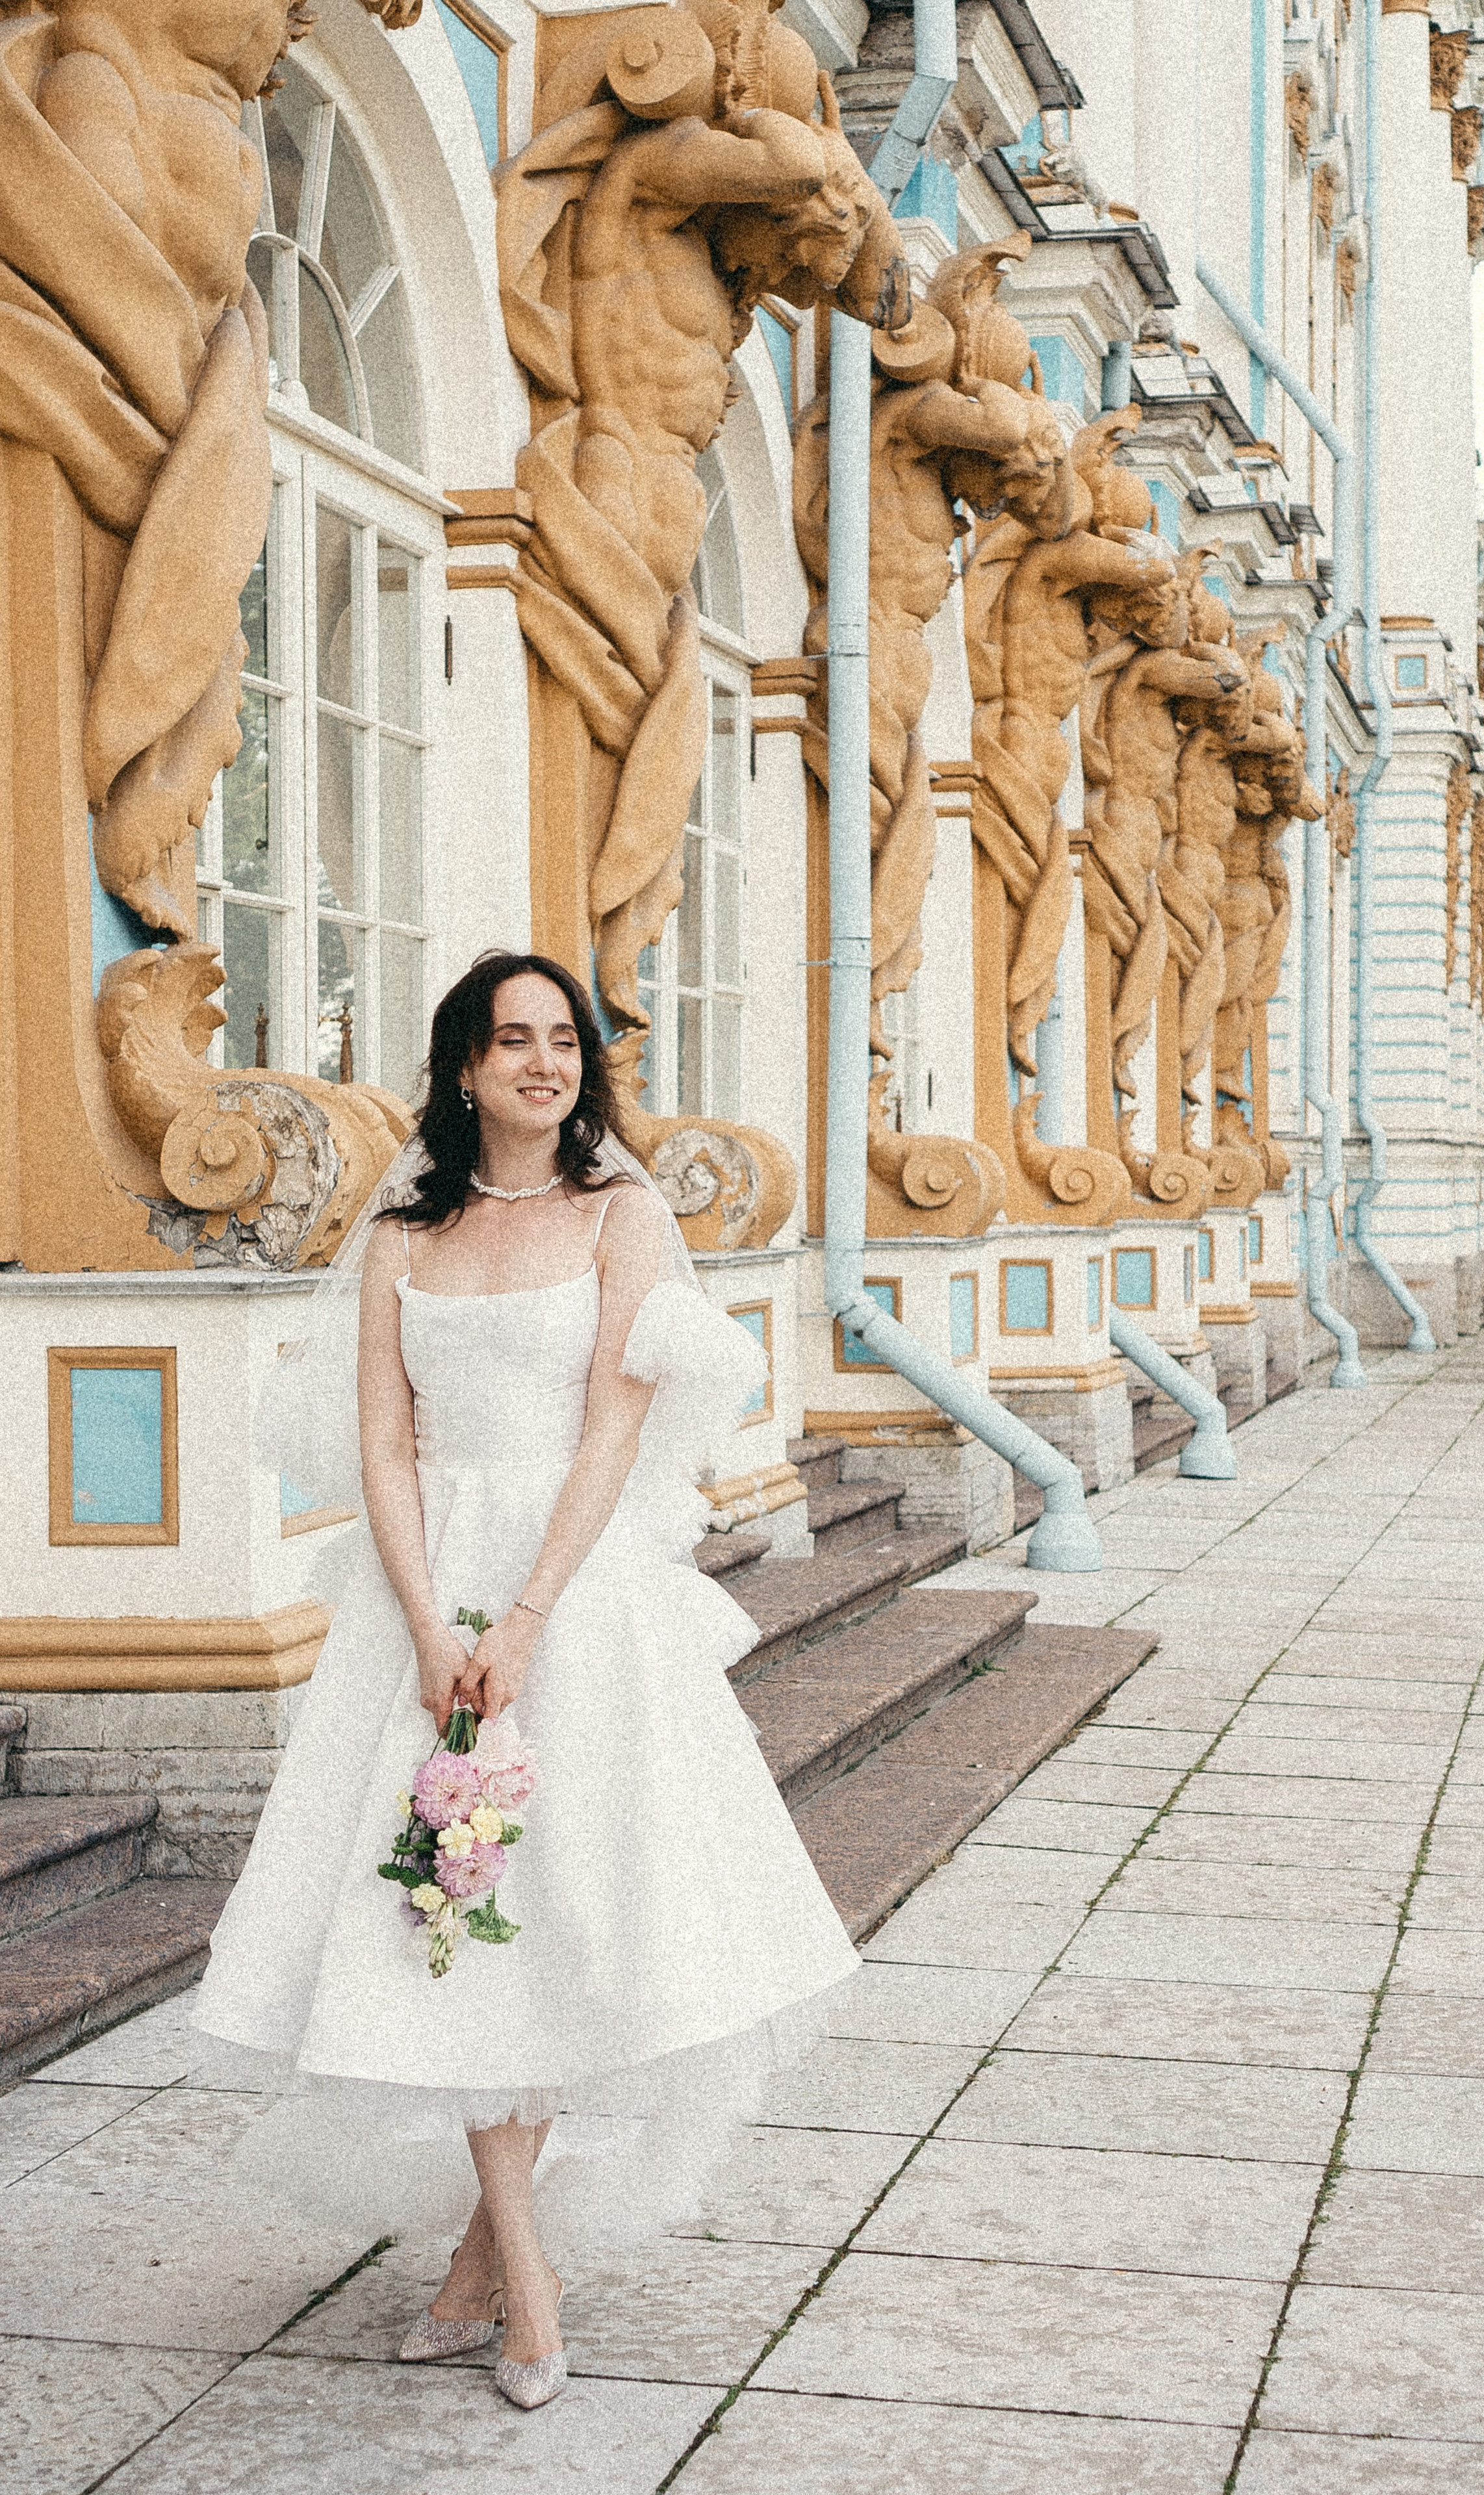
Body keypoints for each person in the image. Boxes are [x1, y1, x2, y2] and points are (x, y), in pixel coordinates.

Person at [192, 951, 860, 2410]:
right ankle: (514, 2271)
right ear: (465, 1066)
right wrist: (432, 1627)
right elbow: (384, 1447)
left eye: (563, 1040)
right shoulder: (402, 1237)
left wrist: (528, 1619)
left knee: (558, 1917)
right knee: (453, 1913)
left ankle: (495, 2268)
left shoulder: (622, 1214)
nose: (544, 1063)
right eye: (513, 1041)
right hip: (425, 1596)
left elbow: (613, 1435)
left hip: (581, 1593)